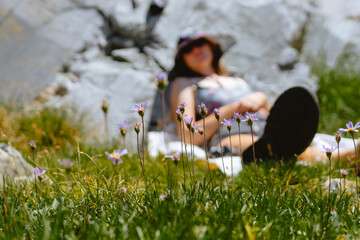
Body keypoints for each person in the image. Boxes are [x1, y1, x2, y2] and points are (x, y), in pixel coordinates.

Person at [166, 28, 357, 163]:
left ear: (211, 47)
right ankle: (348, 157)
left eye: (200, 43)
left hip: (266, 124)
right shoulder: (185, 83)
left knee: (285, 142)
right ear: (182, 59)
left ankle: (345, 156)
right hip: (232, 132)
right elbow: (188, 135)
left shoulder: (238, 81)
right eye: (188, 49)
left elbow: (266, 111)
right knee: (273, 148)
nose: (196, 50)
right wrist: (235, 108)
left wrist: (263, 101)